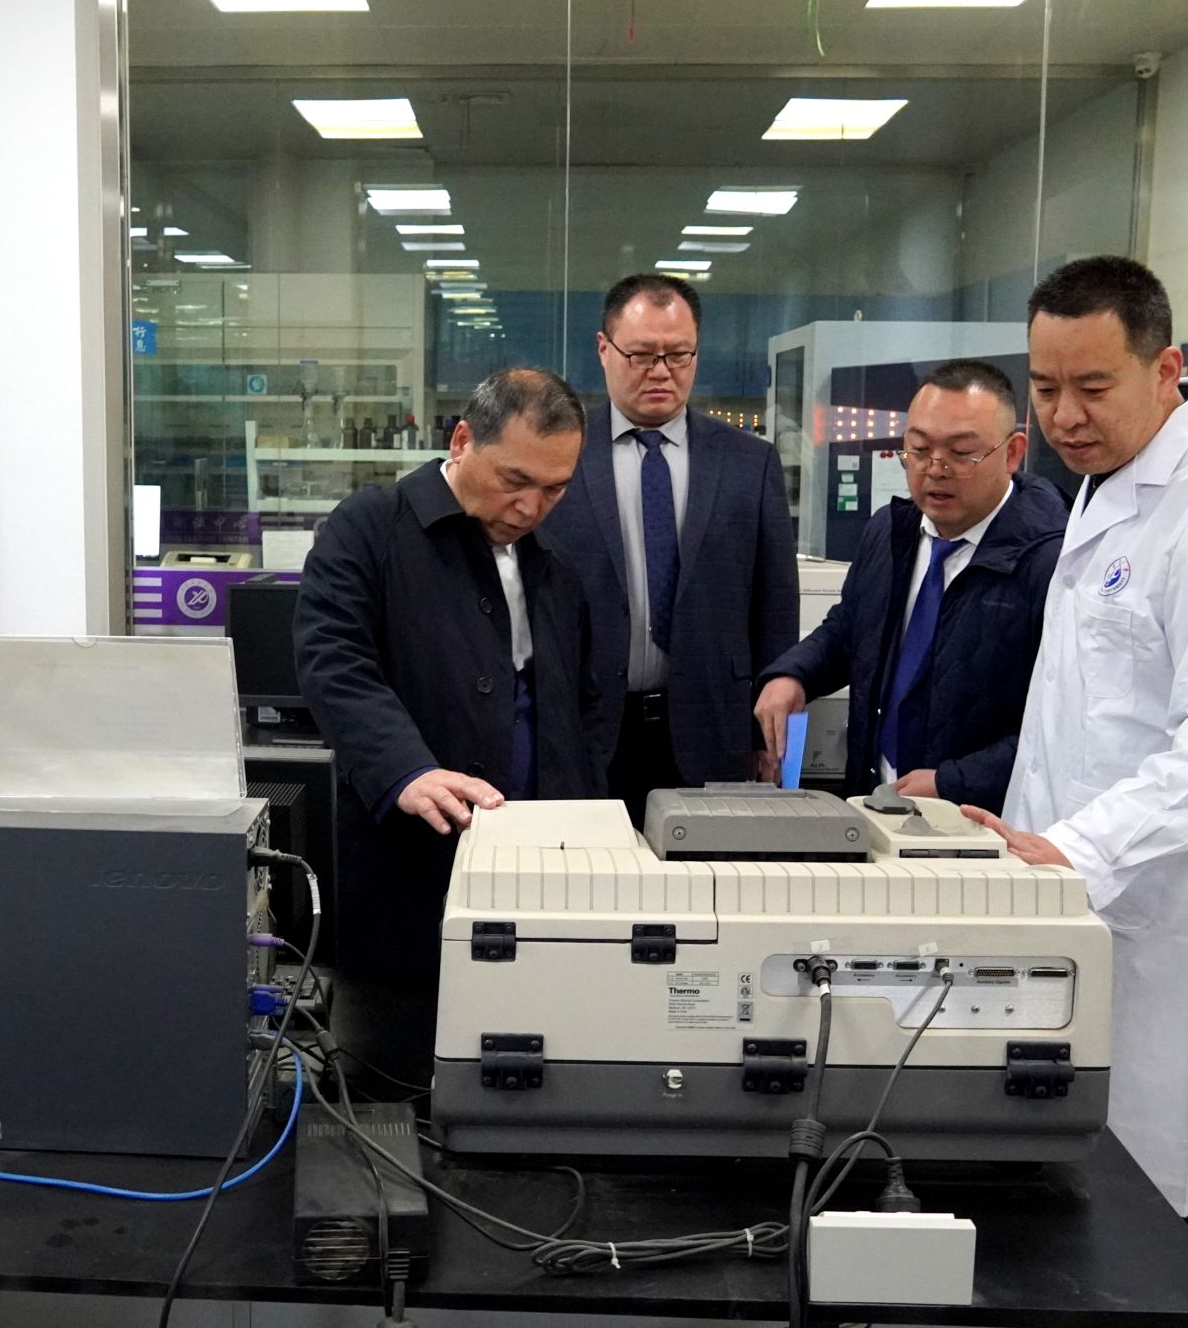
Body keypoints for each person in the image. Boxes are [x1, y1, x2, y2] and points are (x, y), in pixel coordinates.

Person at [959, 256, 1188, 1236]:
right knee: (1056, 1200)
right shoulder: (1105, 481)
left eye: (1091, 386)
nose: (1064, 415)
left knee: (1142, 1227)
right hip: (1066, 895)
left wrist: (1078, 847)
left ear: (1166, 370)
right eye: (1044, 388)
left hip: (1162, 917)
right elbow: (1081, 711)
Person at [295, 367, 606, 1078]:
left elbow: (583, 703)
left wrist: (583, 808)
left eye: (554, 489)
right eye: (514, 480)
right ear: (462, 440)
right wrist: (407, 769)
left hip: (542, 867)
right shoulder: (370, 528)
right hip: (408, 871)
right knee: (393, 1078)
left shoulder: (555, 563)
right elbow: (332, 660)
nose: (530, 507)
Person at [753, 360, 1067, 810]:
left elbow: (1061, 730)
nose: (935, 469)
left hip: (983, 821)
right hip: (875, 802)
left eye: (961, 453)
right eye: (918, 449)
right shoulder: (890, 531)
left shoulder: (1052, 562)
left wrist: (952, 783)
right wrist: (794, 674)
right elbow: (850, 631)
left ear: (1013, 452)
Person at [544, 274, 799, 824]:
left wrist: (768, 739)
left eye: (679, 355)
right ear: (604, 349)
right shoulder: (560, 456)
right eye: (641, 355)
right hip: (585, 730)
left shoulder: (748, 463)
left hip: (712, 730)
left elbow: (774, 610)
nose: (661, 371)